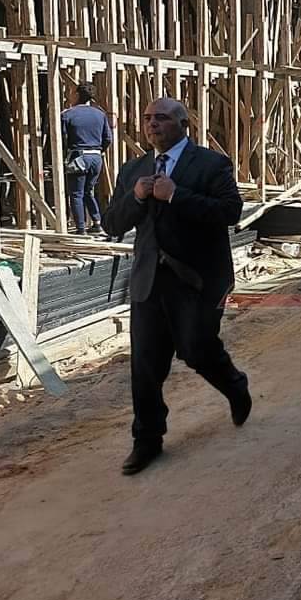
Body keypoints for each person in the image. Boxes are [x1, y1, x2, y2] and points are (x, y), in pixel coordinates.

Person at [102, 97, 250, 475]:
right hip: (149, 280)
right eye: (148, 118)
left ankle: (235, 386)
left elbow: (230, 212)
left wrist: (176, 195)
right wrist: (137, 197)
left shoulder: (211, 164)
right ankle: (147, 439)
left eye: (162, 118)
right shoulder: (133, 170)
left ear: (184, 125)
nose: (152, 124)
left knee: (196, 349)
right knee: (145, 363)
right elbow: (112, 224)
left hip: (197, 279)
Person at [61, 81, 112, 235]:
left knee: (76, 193)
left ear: (77, 95)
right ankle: (97, 223)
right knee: (89, 190)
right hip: (96, 157)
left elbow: (62, 138)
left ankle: (81, 228)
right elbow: (108, 138)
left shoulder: (67, 114)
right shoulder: (100, 114)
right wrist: (100, 150)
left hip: (78, 156)